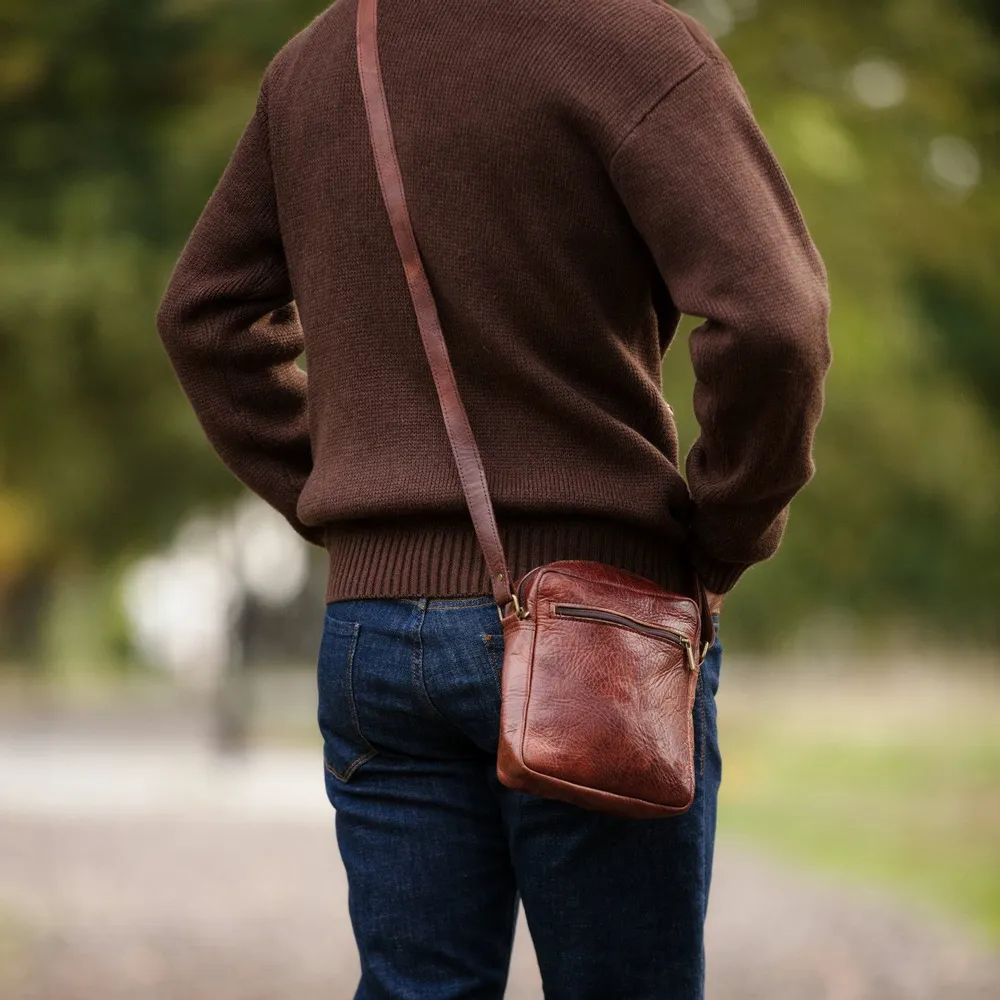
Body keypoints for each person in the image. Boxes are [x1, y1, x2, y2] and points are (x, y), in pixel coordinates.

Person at [156, 0, 831, 996]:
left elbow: (200, 316)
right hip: (600, 621)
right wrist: (720, 534)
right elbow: (774, 319)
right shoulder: (631, 43)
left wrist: (352, 503)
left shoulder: (322, 59)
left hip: (372, 635)